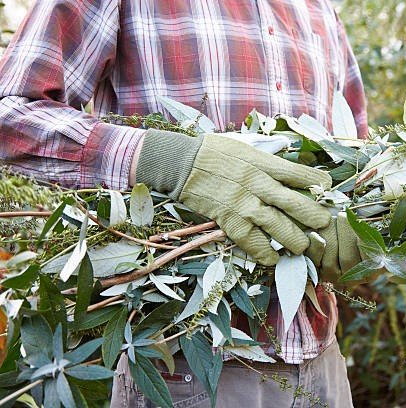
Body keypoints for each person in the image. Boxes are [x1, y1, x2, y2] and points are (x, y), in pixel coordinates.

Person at [0, 1, 367, 407]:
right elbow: (10, 118)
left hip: (323, 365)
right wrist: (167, 161)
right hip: (184, 367)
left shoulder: (319, 10)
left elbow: (356, 156)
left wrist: (361, 223)